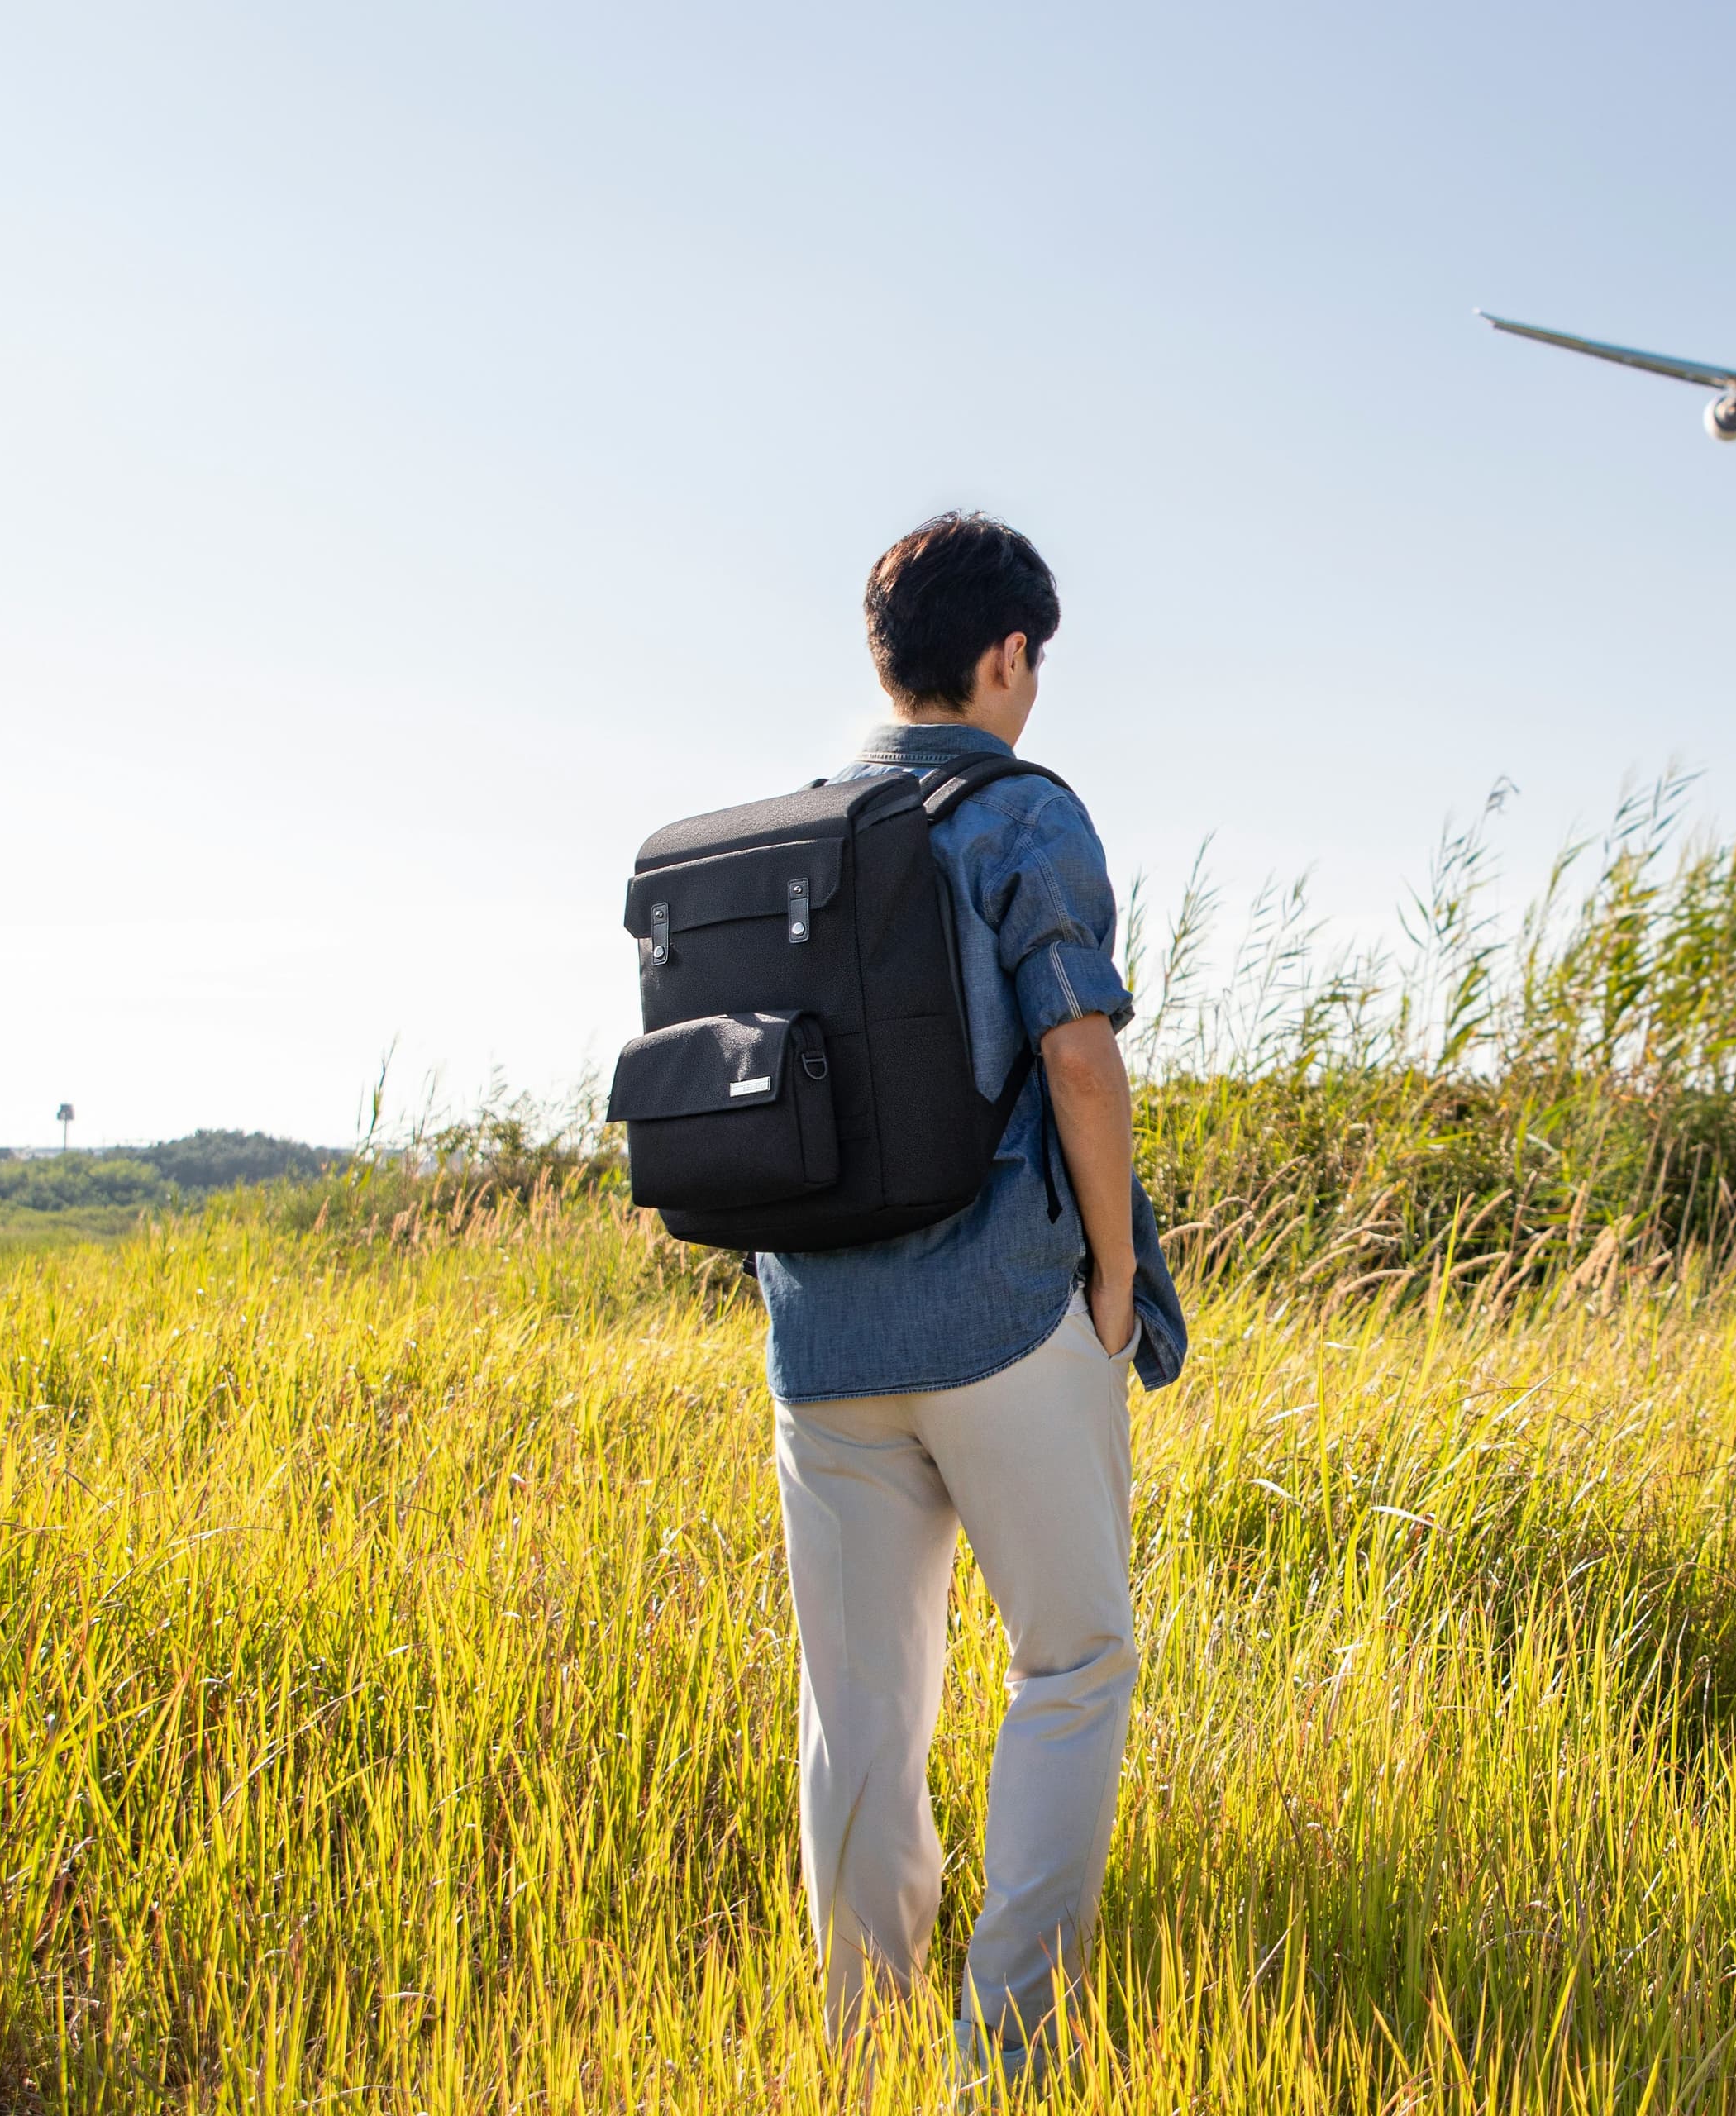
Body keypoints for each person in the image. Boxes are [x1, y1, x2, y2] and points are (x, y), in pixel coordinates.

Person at [759, 511, 1186, 2089]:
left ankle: (861, 2053)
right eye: (1035, 663)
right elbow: (1078, 1049)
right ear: (1005, 656)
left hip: (821, 1334)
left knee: (860, 1708)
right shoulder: (1020, 815)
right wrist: (1117, 1280)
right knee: (1071, 1664)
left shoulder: (797, 830)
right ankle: (1009, 2057)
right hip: (1005, 1313)